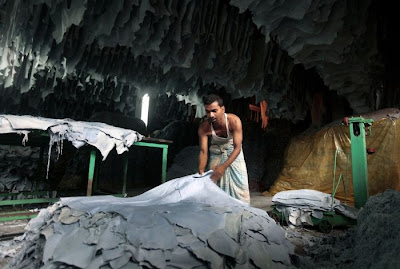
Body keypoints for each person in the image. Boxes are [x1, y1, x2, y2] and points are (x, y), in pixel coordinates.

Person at [198, 94, 250, 203]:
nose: (211, 115)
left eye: (214, 111)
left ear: (223, 109)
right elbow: (203, 151)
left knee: (241, 188)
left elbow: (237, 147)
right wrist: (201, 171)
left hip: (234, 153)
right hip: (216, 153)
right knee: (214, 188)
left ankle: (242, 214)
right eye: (208, 111)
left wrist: (223, 167)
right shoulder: (204, 127)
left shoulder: (234, 121)